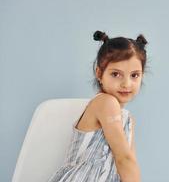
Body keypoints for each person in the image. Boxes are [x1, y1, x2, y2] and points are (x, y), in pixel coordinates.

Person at [47, 30, 149, 182]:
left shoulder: (128, 119)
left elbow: (130, 163)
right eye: (116, 74)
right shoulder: (105, 103)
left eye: (134, 75)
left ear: (142, 76)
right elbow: (124, 159)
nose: (126, 83)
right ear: (99, 73)